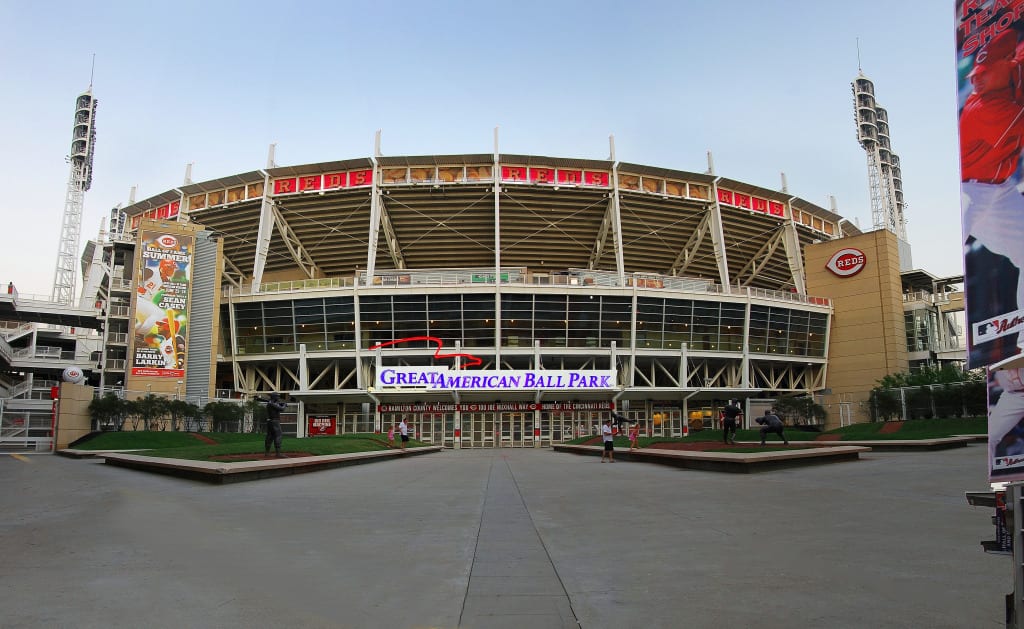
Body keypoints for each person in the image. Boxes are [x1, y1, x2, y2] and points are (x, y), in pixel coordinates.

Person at [960, 28, 1024, 348]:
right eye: (975, 75)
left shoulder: (1011, 72)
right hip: (969, 193)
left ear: (1006, 65)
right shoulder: (982, 107)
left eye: (984, 73)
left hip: (1002, 190)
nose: (976, 80)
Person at [263, 392, 287, 457]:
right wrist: (284, 405)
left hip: (270, 421)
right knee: (278, 435)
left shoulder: (271, 403)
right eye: (277, 396)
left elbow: (277, 406)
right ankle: (278, 453)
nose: (278, 398)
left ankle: (267, 453)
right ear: (274, 397)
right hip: (274, 421)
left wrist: (280, 404)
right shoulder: (272, 403)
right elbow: (281, 409)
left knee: (270, 436)